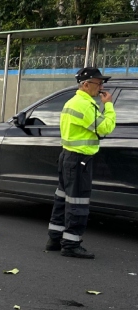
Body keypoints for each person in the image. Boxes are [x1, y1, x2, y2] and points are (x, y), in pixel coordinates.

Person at [46, 67, 116, 259]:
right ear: (85, 84)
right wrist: (108, 105)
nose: (101, 87)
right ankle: (71, 244)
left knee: (62, 199)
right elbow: (104, 129)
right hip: (79, 160)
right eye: (98, 83)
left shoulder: (72, 102)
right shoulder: (85, 105)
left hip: (68, 157)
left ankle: (55, 238)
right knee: (78, 201)